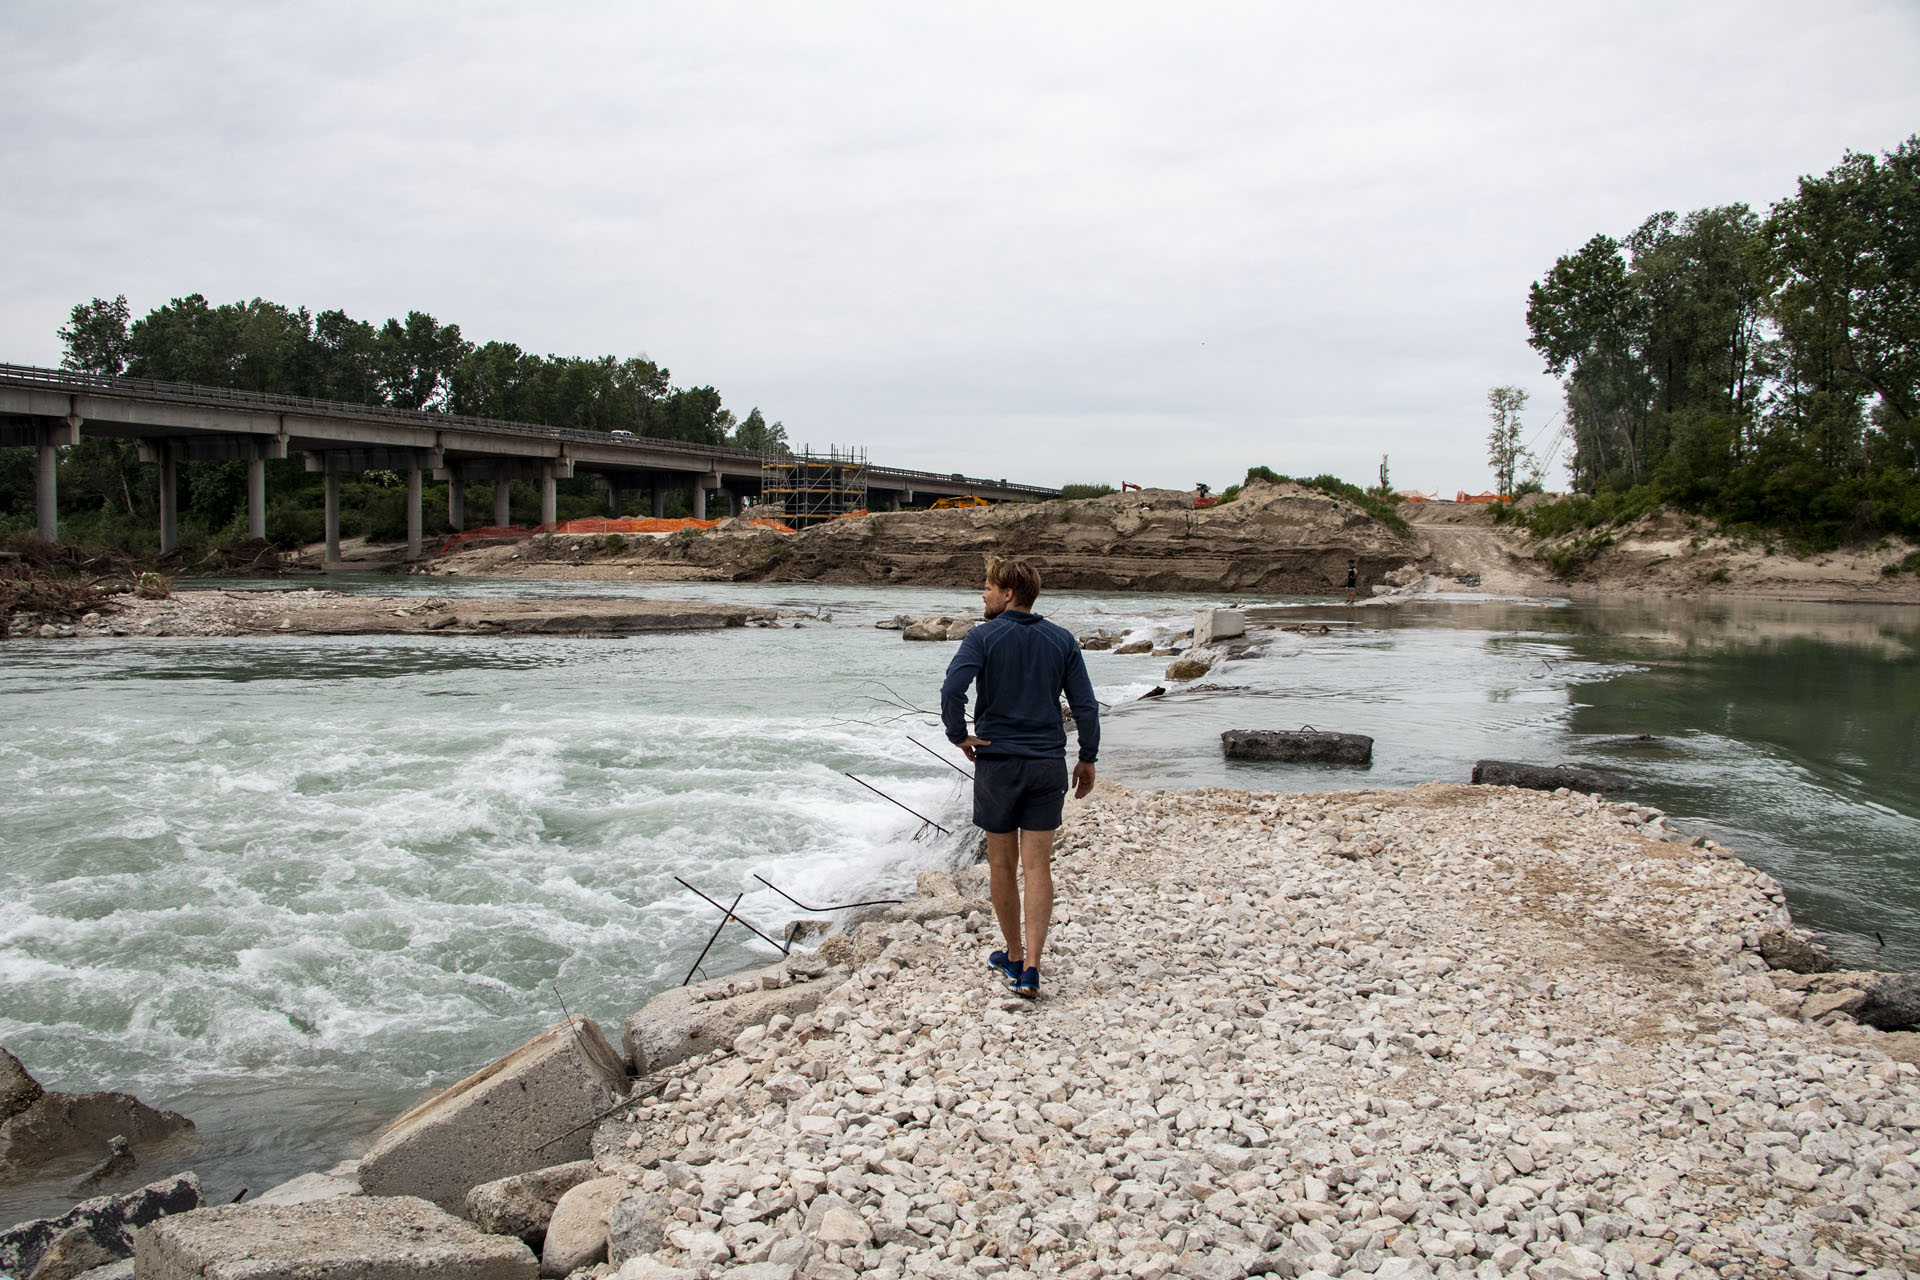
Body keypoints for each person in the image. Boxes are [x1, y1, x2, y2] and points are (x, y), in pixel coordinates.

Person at [940, 557, 1099, 998]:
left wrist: (960, 736)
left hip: (1000, 764)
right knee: (1037, 866)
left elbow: (953, 689)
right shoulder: (1061, 639)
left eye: (988, 587)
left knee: (1002, 865)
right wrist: (1087, 757)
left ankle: (1012, 954)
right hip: (1047, 763)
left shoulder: (983, 635)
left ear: (1008, 593)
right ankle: (1033, 966)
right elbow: (1086, 705)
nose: (984, 593)